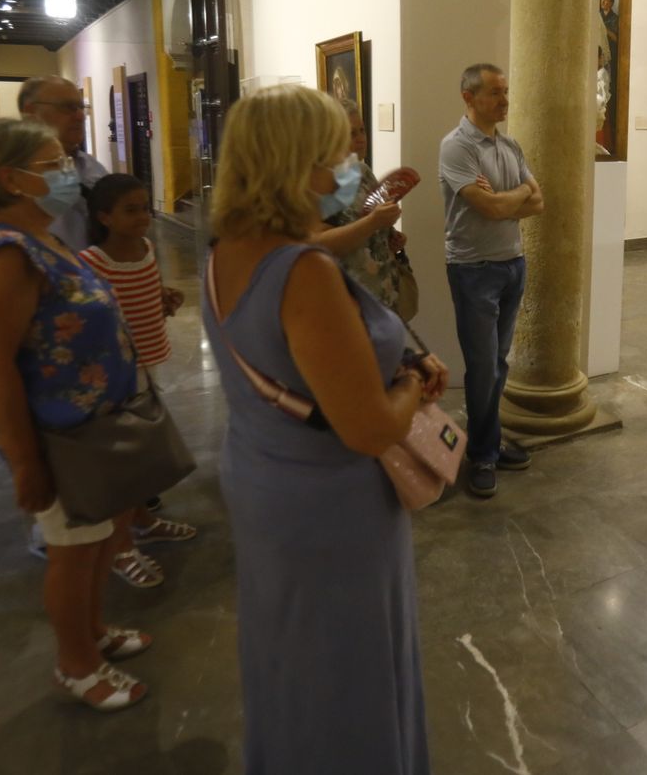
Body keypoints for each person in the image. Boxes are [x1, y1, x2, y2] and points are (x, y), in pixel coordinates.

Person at [202, 84, 445, 772]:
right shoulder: (303, 272)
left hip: (263, 475)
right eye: (338, 154)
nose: (350, 166)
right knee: (346, 669)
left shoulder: (229, 249)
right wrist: (410, 385)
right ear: (298, 164)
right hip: (329, 502)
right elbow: (369, 430)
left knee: (292, 656)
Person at [0, 118, 150, 712]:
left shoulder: (42, 237)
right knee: (73, 550)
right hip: (59, 434)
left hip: (92, 425)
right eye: (53, 166)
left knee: (97, 540)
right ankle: (76, 664)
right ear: (10, 178)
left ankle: (93, 632)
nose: (69, 173)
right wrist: (26, 463)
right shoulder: (7, 253)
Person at [79, 174, 198, 590]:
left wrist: (161, 298)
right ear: (104, 217)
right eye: (131, 210)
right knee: (125, 460)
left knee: (144, 449)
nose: (143, 217)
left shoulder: (146, 249)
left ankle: (143, 520)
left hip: (146, 362)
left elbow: (142, 292)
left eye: (145, 208)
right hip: (116, 370)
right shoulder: (92, 261)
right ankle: (121, 546)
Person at [438, 63, 542, 499]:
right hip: (473, 268)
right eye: (495, 93)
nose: (504, 100)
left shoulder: (509, 144)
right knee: (482, 367)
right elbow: (494, 209)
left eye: (505, 92)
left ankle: (490, 442)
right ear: (469, 97)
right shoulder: (456, 147)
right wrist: (511, 197)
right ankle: (482, 454)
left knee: (498, 363)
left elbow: (538, 201)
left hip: (512, 263)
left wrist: (503, 197)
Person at [0, 75, 107, 251]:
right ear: (30, 113)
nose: (80, 116)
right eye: (67, 107)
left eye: (81, 107)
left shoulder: (92, 167)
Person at [313, 99, 407, 310]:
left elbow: (373, 223)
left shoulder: (361, 171)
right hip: (347, 299)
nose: (361, 139)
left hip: (383, 294)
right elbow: (317, 242)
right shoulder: (319, 183)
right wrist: (373, 222)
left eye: (362, 131)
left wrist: (391, 237)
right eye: (351, 134)